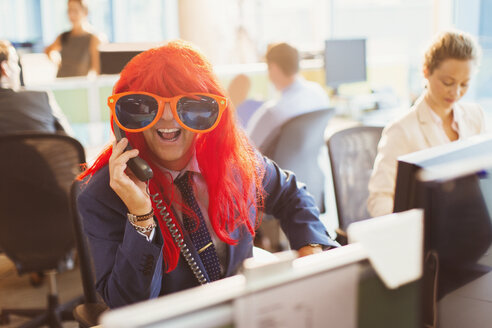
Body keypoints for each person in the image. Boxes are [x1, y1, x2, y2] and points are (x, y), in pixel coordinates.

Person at [76, 40, 337, 308]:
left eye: (186, 105)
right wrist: (141, 216)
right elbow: (128, 305)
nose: (167, 117)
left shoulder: (233, 161)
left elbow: (290, 192)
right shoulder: (102, 196)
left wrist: (311, 249)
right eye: (147, 106)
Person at [368, 30, 486, 217]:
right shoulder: (401, 130)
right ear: (426, 70)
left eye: (464, 84)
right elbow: (379, 200)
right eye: (448, 82)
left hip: (470, 225)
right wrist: (411, 229)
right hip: (427, 233)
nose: (455, 93)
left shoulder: (476, 116)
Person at [246, 42, 330, 152]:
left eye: (269, 69)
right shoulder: (319, 93)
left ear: (274, 68)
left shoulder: (273, 112)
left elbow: (247, 151)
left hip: (281, 168)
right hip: (311, 167)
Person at [0, 40, 72, 135]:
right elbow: (70, 142)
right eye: (14, 62)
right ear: (4, 68)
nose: (18, 69)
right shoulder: (42, 98)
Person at [44, 0, 102, 77]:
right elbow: (48, 50)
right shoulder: (63, 36)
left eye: (75, 10)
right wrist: (56, 60)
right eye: (69, 10)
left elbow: (97, 70)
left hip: (80, 86)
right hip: (60, 82)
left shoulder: (94, 38)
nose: (71, 15)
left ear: (85, 12)